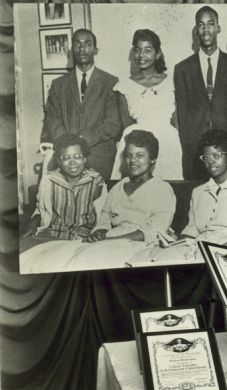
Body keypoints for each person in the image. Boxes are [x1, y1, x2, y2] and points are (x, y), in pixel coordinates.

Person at [20, 130, 176, 273]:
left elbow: (154, 231)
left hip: (138, 244)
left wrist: (109, 240)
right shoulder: (118, 188)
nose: (133, 161)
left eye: (140, 155)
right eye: (129, 155)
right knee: (49, 258)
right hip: (108, 240)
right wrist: (100, 232)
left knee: (83, 263)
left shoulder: (162, 189)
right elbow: (104, 218)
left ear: (153, 159)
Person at [40, 28, 121, 180]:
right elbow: (53, 120)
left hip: (101, 159)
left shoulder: (111, 82)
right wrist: (70, 147)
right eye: (77, 43)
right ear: (71, 50)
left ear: (95, 50)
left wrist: (83, 140)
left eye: (87, 44)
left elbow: (113, 123)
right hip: (67, 160)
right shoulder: (58, 85)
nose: (82, 48)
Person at [174, 6, 227, 180]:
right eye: (201, 25)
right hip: (195, 150)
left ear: (218, 28)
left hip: (226, 147)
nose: (206, 29)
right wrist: (188, 145)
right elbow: (182, 112)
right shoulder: (182, 69)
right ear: (196, 30)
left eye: (210, 24)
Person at [111, 29, 183, 180]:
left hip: (168, 143)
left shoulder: (172, 82)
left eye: (148, 50)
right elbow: (126, 124)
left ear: (157, 54)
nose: (142, 55)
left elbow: (177, 121)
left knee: (169, 187)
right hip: (137, 144)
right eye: (138, 50)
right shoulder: (124, 86)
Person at [22, 135, 105, 248]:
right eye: (66, 158)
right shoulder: (49, 180)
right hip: (50, 235)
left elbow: (104, 214)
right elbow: (40, 209)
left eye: (77, 156)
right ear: (59, 161)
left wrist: (98, 232)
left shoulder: (96, 181)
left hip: (82, 239)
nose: (72, 162)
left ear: (84, 159)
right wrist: (32, 223)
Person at [180, 130, 227, 241]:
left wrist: (207, 239)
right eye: (206, 158)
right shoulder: (198, 192)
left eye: (216, 155)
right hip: (197, 247)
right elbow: (192, 228)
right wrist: (179, 241)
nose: (211, 162)